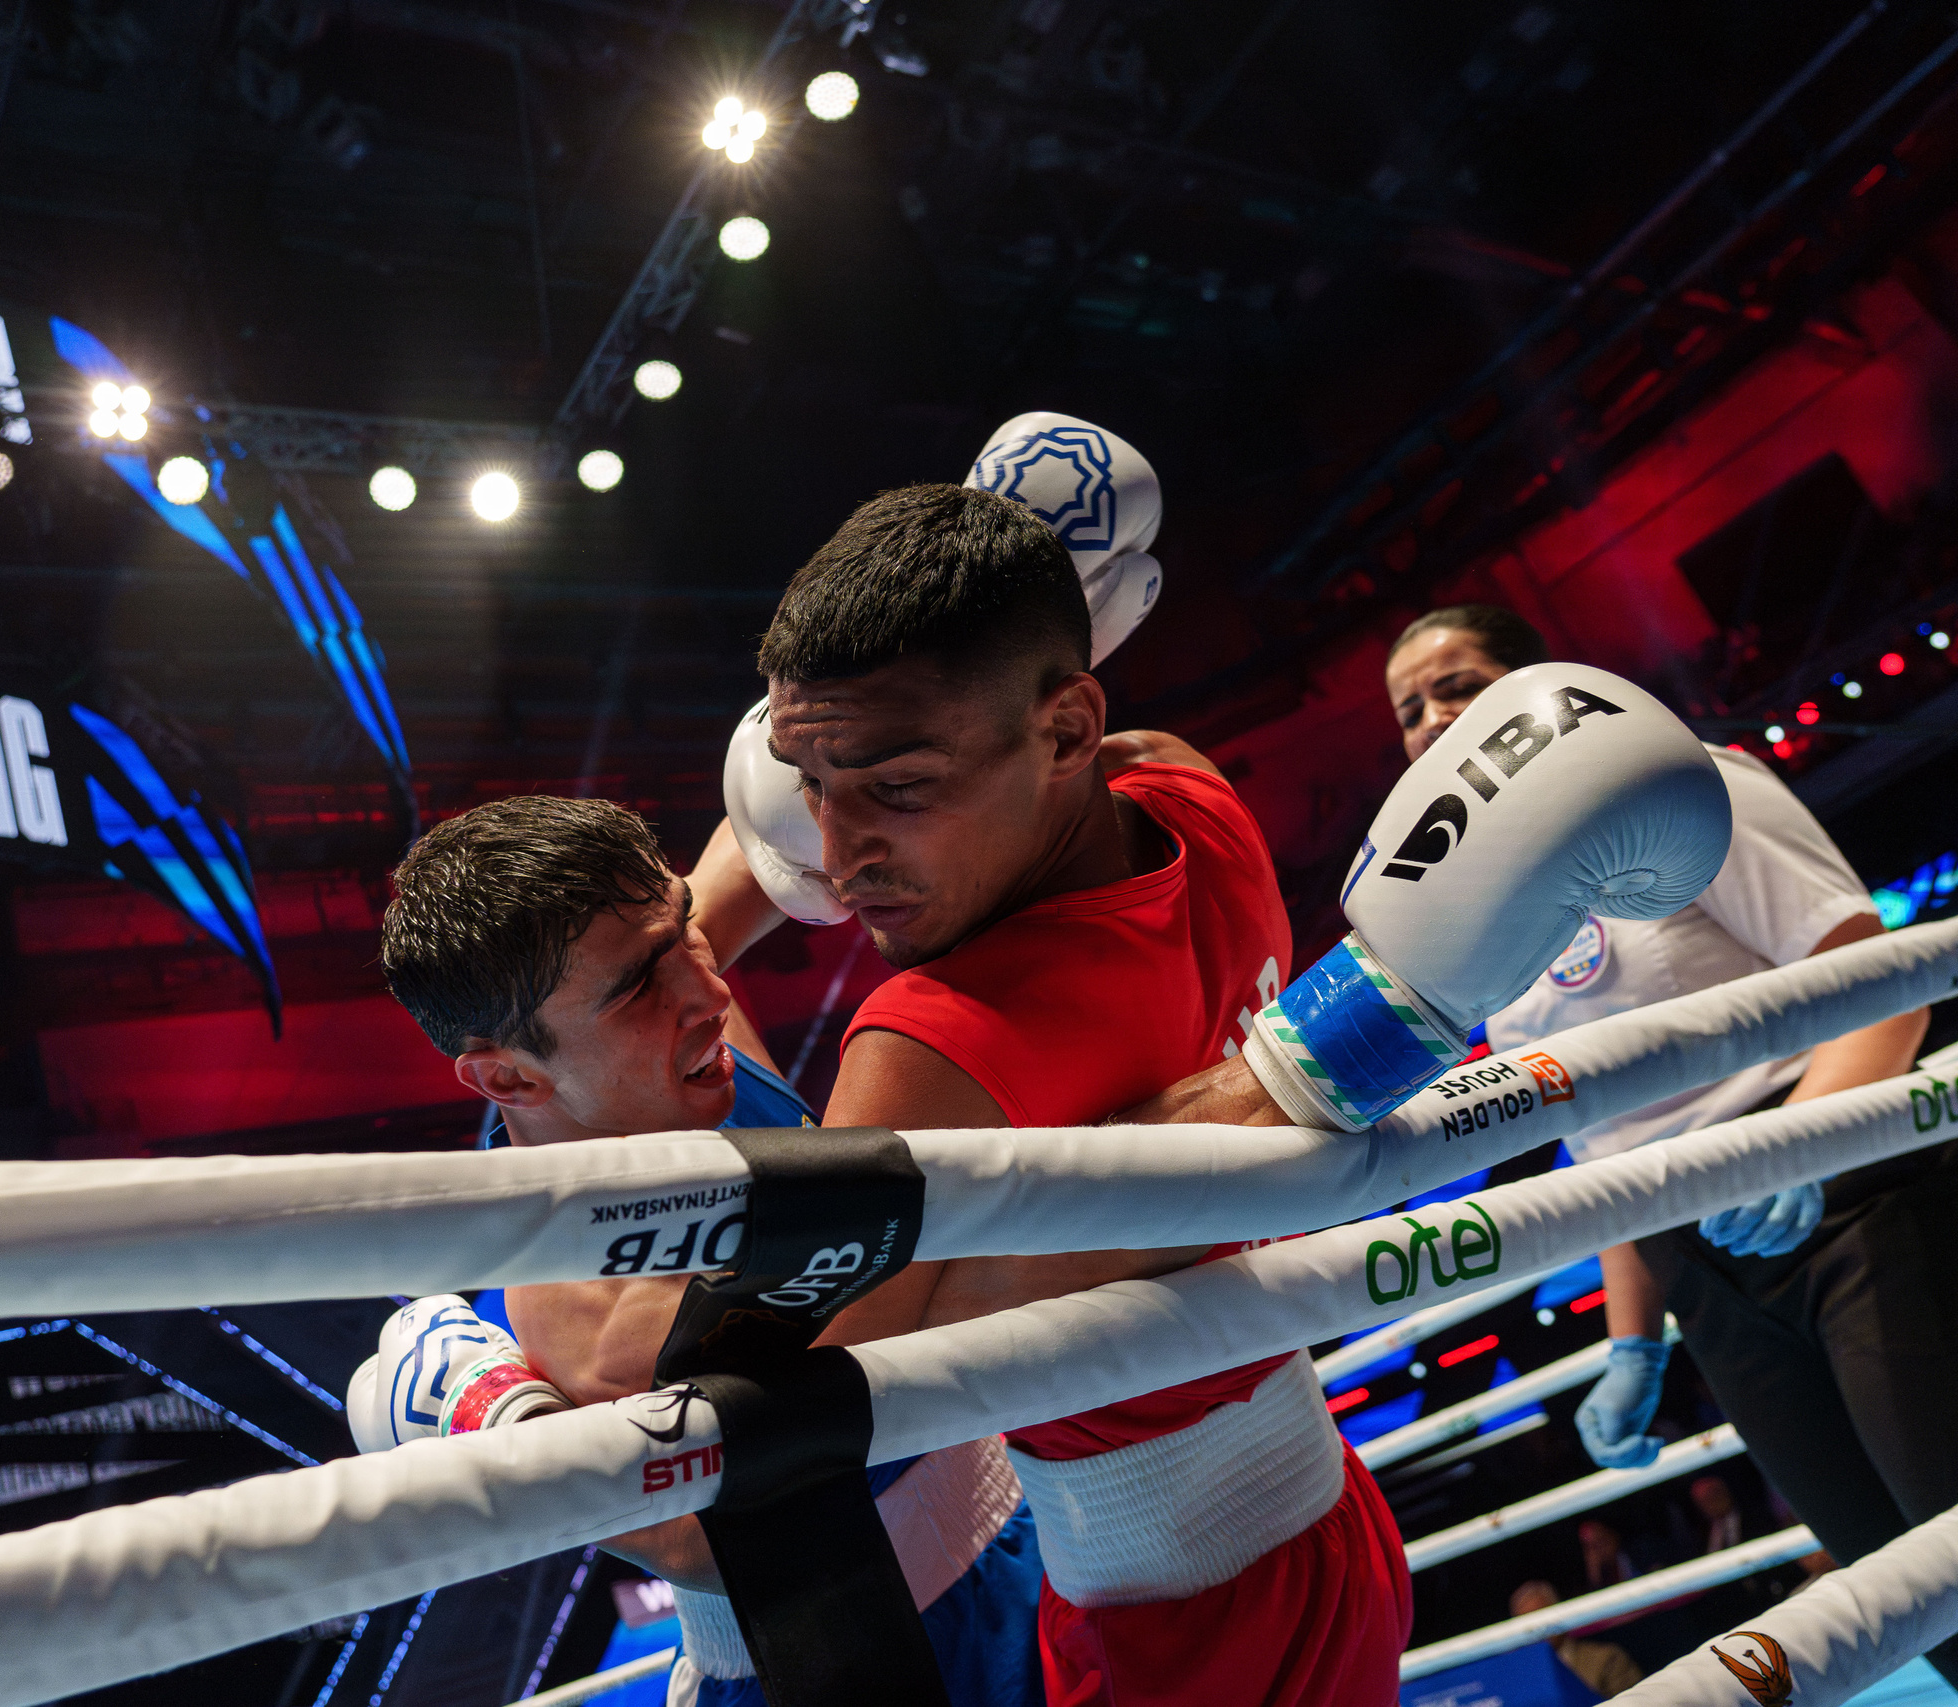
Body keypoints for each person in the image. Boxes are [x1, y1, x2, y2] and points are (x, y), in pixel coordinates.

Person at [696, 484, 1413, 1707]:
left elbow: (739, 1476)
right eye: (805, 780)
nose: (834, 851)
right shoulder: (1195, 801)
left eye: (897, 786)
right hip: (1334, 1532)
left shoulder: (928, 1046)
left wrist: (487, 1404)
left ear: (1070, 726)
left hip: (1168, 1640)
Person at [1384, 602, 1955, 1682]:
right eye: (1408, 710)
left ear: (1536, 688)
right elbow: (1597, 1146)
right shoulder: (1497, 923)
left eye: (1458, 684)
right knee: (1893, 1594)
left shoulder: (1691, 782)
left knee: (1948, 1535)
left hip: (1849, 1194)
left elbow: (1883, 990)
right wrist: (1634, 1345)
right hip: (1701, 1264)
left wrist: (1800, 1150)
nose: (1431, 719)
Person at [375, 792, 1046, 1707]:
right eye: (643, 982)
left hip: (1019, 1546)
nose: (712, 991)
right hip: (842, 1659)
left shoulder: (661, 1041)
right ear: (508, 1076)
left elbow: (762, 809)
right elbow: (704, 1542)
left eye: (685, 929)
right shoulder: (568, 1303)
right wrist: (507, 1423)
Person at [1512, 1579, 1644, 1697]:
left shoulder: (1606, 1659)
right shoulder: (1518, 1680)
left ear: (1559, 1613)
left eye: (1541, 1616)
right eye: (1528, 1623)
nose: (1537, 1628)